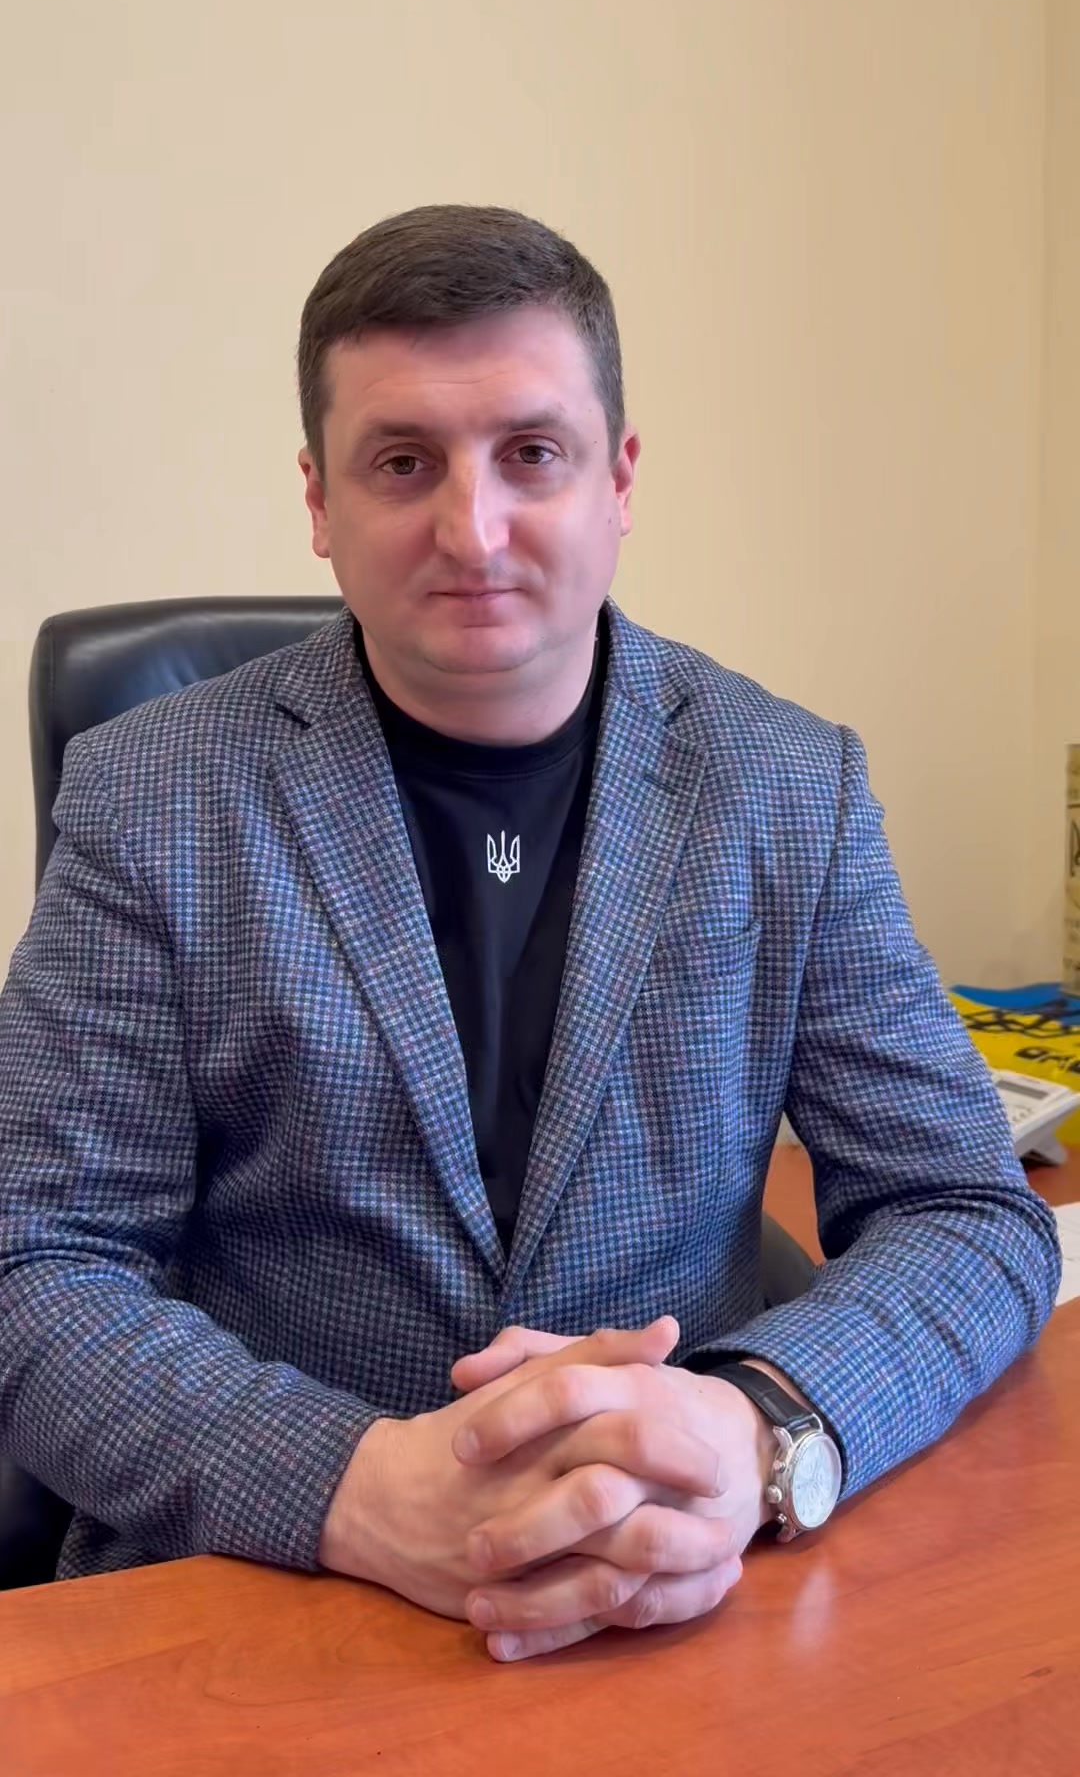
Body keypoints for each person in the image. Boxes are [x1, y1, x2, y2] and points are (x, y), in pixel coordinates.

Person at [0, 205, 1061, 1663]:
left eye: (533, 454)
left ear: (619, 479)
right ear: (318, 499)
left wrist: (756, 1427)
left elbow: (965, 1211)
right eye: (402, 462)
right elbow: (38, 1265)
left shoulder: (786, 787)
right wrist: (353, 1486)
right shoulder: (148, 795)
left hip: (680, 1605)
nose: (473, 531)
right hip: (266, 1600)